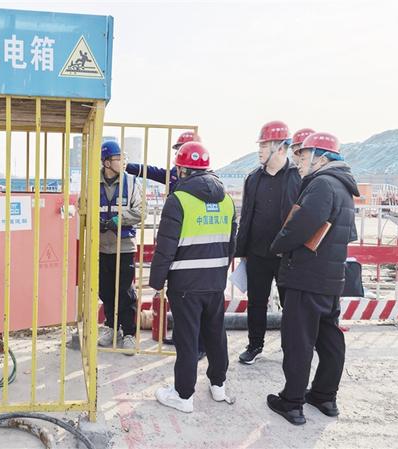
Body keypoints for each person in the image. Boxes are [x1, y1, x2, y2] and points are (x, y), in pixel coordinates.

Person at [267, 132, 359, 425]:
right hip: (330, 278)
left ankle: (292, 402)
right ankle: (324, 396)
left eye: (304, 156)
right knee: (329, 338)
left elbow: (300, 226)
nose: (299, 161)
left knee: (299, 341)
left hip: (307, 276)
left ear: (322, 158)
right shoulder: (343, 187)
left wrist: (277, 245)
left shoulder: (322, 184)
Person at [150, 142, 237, 413]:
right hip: (215, 282)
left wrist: (156, 282)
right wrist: (218, 273)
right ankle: (218, 386)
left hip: (185, 285)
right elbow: (231, 244)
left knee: (187, 339)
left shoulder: (178, 200)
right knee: (216, 334)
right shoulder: (227, 201)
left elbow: (165, 248)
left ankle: (183, 395)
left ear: (181, 170)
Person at [126, 131, 206, 358]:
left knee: (195, 299)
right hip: (177, 241)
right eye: (178, 149)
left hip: (193, 243)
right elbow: (153, 172)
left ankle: (199, 345)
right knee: (178, 295)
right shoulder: (175, 175)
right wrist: (128, 166)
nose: (179, 154)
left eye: (182, 149)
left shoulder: (204, 183)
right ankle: (182, 337)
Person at [235, 120, 301, 364]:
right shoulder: (253, 178)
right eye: (260, 145)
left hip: (287, 255)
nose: (260, 150)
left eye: (264, 145)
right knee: (256, 303)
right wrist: (242, 250)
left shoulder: (297, 177)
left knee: (290, 305)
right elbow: (246, 216)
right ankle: (255, 345)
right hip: (257, 253)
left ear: (281, 148)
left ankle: (292, 348)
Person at [98, 140, 142, 354]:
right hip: (100, 247)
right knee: (105, 291)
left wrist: (118, 220)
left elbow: (141, 211)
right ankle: (111, 327)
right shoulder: (92, 182)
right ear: (107, 162)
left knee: (125, 291)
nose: (122, 162)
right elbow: (82, 206)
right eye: (118, 158)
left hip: (123, 247)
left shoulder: (131, 182)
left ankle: (129, 333)